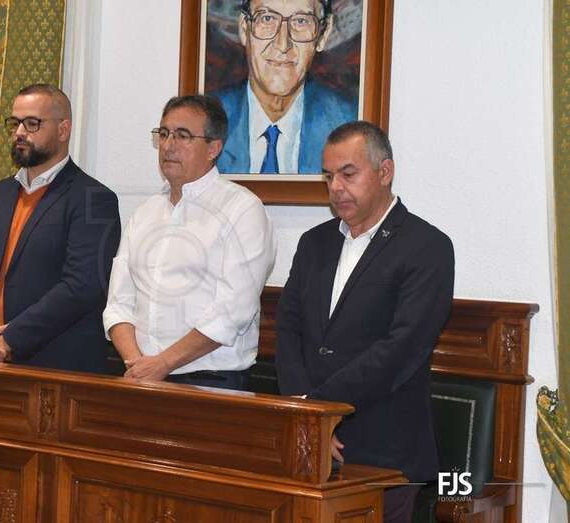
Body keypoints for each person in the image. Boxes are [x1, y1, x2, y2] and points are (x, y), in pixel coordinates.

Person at [276, 121, 454, 522]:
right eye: (328, 176)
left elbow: (402, 348)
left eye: (348, 174)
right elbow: (288, 329)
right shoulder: (314, 243)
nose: (336, 187)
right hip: (307, 441)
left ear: (384, 171)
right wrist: (307, 418)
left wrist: (320, 413)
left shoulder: (427, 247)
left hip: (384, 451)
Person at [103, 94, 276, 391]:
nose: (168, 145)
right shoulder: (145, 212)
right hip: (138, 375)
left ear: (213, 148)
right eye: (164, 133)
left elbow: (233, 311)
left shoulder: (242, 209)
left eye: (182, 136)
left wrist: (163, 363)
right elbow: (119, 302)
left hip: (211, 382)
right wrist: (137, 363)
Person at [0, 84, 121, 373]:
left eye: (32, 123)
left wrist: (8, 340)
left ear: (63, 130)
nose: (19, 132)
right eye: (15, 123)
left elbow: (82, 287)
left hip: (56, 370)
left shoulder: (93, 199)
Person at [212, 0, 357, 174]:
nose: (282, 45)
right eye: (267, 18)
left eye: (301, 21)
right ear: (244, 28)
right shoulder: (206, 122)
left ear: (323, 34)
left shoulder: (349, 125)